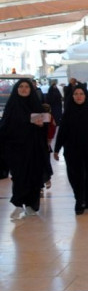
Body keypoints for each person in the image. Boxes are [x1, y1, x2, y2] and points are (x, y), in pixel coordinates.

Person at [53, 84, 88, 215]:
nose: (79, 96)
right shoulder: (68, 112)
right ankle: (79, 201)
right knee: (76, 176)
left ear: (86, 95)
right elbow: (62, 132)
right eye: (76, 94)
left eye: (81, 94)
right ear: (72, 96)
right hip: (72, 150)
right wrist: (57, 149)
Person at [0, 79, 48, 218]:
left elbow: (44, 127)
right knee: (20, 176)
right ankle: (18, 203)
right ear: (16, 89)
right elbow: (5, 126)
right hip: (16, 149)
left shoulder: (36, 105)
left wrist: (40, 126)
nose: (24, 89)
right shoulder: (12, 106)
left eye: (27, 86)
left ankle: (30, 205)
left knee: (33, 176)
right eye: (20, 86)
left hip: (33, 149)